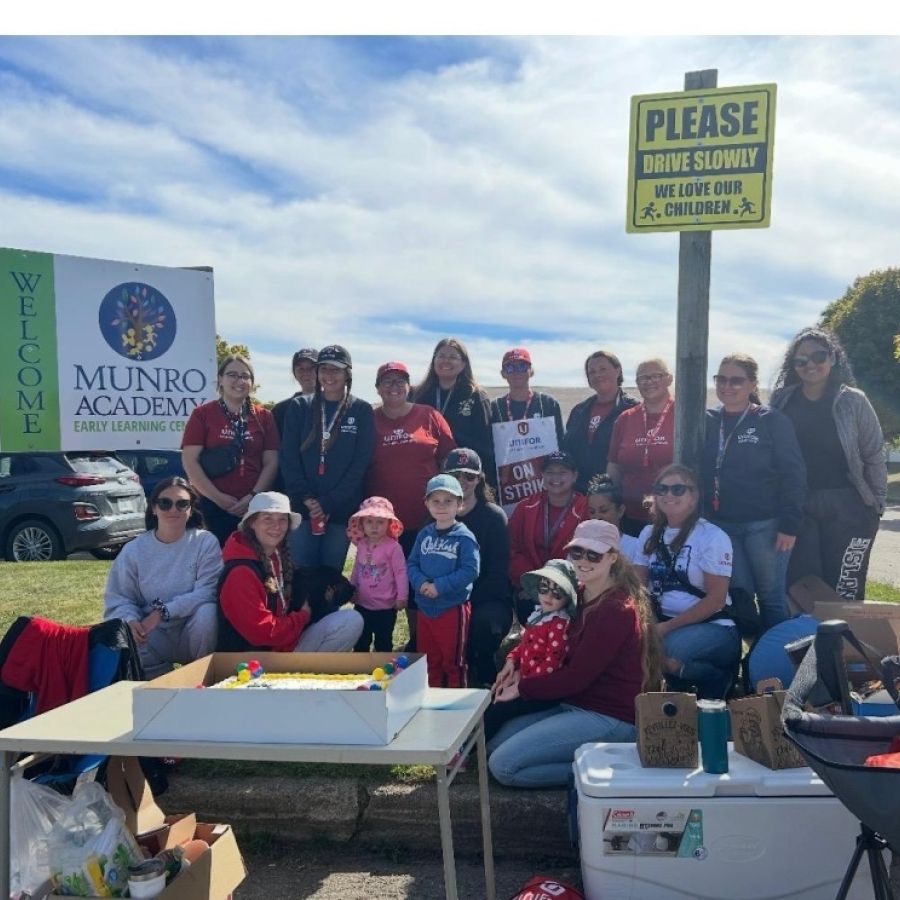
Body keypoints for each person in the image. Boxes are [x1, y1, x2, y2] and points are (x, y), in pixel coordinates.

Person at [487, 520, 660, 789]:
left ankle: (600, 771)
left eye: (594, 554)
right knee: (493, 748)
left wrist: (522, 688)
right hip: (575, 704)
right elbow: (539, 636)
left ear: (613, 557)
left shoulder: (616, 610)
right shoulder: (577, 594)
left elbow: (575, 678)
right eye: (576, 552)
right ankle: (589, 763)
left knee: (503, 766)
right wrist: (515, 661)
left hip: (609, 716)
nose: (583, 561)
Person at [771, 327, 887, 602]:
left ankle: (847, 644)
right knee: (804, 585)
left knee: (846, 585)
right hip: (801, 505)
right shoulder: (782, 401)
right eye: (801, 360)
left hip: (849, 504)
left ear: (833, 358)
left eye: (818, 356)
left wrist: (877, 502)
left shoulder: (853, 400)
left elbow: (873, 454)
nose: (810, 364)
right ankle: (808, 644)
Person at [702, 353, 806, 631]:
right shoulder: (709, 420)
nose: (728, 386)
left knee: (771, 597)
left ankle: (777, 665)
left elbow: (794, 474)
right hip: (723, 526)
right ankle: (752, 664)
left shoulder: (771, 420)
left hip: (767, 526)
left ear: (752, 384)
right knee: (741, 596)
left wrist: (789, 525)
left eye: (736, 380)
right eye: (721, 379)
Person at [366, 361, 456, 649]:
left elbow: (450, 461)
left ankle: (422, 640)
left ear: (409, 387)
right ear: (378, 388)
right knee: (388, 581)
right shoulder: (369, 419)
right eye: (387, 381)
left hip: (429, 520)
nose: (393, 387)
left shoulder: (429, 415)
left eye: (400, 381)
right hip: (385, 524)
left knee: (425, 581)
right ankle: (382, 642)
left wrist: (450, 506)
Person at [633, 465, 740, 700]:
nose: (669, 495)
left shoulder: (712, 536)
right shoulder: (648, 533)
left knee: (668, 650)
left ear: (694, 497)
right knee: (630, 647)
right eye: (662, 489)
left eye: (678, 489)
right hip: (662, 623)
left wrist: (664, 629)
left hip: (714, 627)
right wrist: (648, 625)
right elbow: (638, 589)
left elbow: (716, 600)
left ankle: (717, 680)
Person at [103, 476, 221, 679]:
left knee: (207, 613)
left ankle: (203, 678)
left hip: (191, 630)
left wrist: (163, 612)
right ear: (154, 508)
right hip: (151, 635)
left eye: (182, 504)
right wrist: (131, 621)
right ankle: (156, 683)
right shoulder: (133, 550)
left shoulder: (205, 542)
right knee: (127, 631)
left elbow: (208, 592)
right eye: (165, 503)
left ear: (191, 509)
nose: (173, 510)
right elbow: (120, 597)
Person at [217, 492, 363, 653]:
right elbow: (262, 633)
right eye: (268, 518)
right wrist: (303, 617)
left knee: (350, 620)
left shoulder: (278, 557)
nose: (276, 526)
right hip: (251, 658)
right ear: (252, 523)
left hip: (284, 643)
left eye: (282, 519)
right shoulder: (241, 572)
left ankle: (303, 673)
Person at [280, 344, 374, 572]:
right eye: (324, 369)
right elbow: (289, 458)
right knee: (301, 573)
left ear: (347, 374)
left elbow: (360, 464)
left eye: (336, 370)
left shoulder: (361, 410)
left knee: (331, 574)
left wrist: (328, 502)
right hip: (303, 507)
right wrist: (307, 498)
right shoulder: (299, 406)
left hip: (340, 508)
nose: (329, 376)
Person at [182, 355, 280, 547]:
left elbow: (271, 461)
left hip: (254, 505)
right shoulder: (203, 414)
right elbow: (189, 460)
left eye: (245, 376)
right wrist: (219, 499)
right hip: (213, 505)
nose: (239, 381)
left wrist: (253, 496)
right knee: (216, 563)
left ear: (252, 382)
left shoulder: (264, 417)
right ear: (220, 379)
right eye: (232, 375)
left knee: (253, 562)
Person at [484, 559, 577, 742]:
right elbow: (524, 644)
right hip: (526, 681)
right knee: (494, 697)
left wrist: (523, 684)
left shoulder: (559, 624)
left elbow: (552, 663)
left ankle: (473, 748)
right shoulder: (540, 615)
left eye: (557, 592)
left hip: (540, 690)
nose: (549, 597)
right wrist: (512, 660)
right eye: (544, 588)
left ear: (567, 597)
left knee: (501, 708)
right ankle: (475, 741)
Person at [443, 448, 511, 686]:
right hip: (444, 597)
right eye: (455, 475)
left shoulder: (494, 517)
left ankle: (485, 682)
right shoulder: (435, 514)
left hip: (485, 601)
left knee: (482, 627)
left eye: (469, 476)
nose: (462, 481)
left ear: (480, 479)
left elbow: (497, 576)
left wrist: (462, 603)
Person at [406, 474, 480, 688]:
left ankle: (460, 711)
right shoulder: (424, 534)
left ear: (460, 503)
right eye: (435, 501)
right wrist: (421, 584)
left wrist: (440, 586)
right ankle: (432, 702)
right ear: (427, 504)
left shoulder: (464, 537)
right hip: (426, 608)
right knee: (429, 661)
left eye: (448, 501)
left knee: (454, 662)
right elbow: (412, 564)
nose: (441, 506)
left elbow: (470, 570)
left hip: (451, 608)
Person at [508, 450, 586, 625]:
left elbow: (586, 556)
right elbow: (513, 549)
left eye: (562, 472)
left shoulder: (586, 508)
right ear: (542, 476)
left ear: (575, 476)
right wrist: (532, 583)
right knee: (528, 609)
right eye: (550, 472)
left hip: (571, 588)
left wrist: (559, 587)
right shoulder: (525, 507)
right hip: (533, 587)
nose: (555, 477)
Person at [411, 338, 494, 484]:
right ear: (434, 361)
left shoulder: (475, 396)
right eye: (441, 356)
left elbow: (486, 446)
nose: (446, 361)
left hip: (464, 475)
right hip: (426, 473)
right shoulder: (419, 395)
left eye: (453, 357)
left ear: (463, 364)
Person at [607, 357, 675, 536]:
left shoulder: (684, 414)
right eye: (643, 378)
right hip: (631, 515)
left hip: (674, 516)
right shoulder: (625, 418)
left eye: (656, 376)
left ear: (669, 379)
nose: (649, 382)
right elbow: (614, 465)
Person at [565, 350, 639, 493]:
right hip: (578, 493)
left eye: (603, 369)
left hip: (615, 497)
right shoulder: (579, 411)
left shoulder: (633, 409)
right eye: (592, 372)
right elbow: (568, 451)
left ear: (618, 371)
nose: (597, 375)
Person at [346, 496, 408, 652]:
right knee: (361, 641)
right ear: (361, 524)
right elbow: (356, 568)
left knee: (384, 642)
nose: (374, 527)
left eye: (380, 522)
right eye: (369, 522)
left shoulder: (393, 547)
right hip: (362, 603)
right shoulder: (361, 544)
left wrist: (402, 597)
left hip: (386, 606)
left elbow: (401, 573)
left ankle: (383, 673)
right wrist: (351, 590)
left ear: (389, 524)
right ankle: (360, 672)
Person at [585, 474, 641, 563]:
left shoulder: (636, 546)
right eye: (592, 512)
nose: (597, 517)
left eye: (603, 511)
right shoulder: (581, 544)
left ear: (620, 511)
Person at [271, 348, 319, 437]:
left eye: (312, 367)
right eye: (300, 368)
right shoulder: (280, 410)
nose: (306, 372)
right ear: (294, 373)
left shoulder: (336, 406)